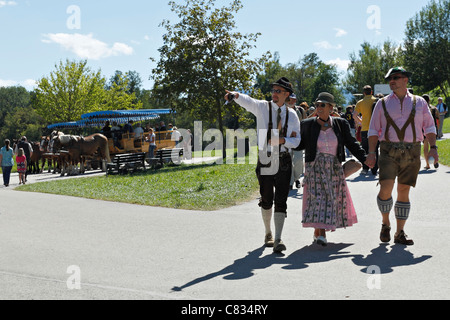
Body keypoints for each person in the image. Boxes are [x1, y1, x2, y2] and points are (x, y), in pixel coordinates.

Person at [225, 77, 301, 253]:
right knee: (267, 198)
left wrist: (283, 140)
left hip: (283, 159)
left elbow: (296, 141)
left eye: (278, 91)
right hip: (265, 158)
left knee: (282, 199)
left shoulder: (293, 115)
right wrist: (236, 95)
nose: (274, 94)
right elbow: (247, 101)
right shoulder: (262, 107)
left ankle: (279, 238)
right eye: (273, 90)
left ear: (286, 95)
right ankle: (268, 233)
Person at [366, 67, 438, 246]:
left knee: (404, 190)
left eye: (396, 78)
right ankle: (385, 223)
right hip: (388, 150)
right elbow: (373, 130)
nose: (392, 81)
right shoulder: (381, 104)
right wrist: (371, 153)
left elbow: (429, 126)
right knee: (385, 188)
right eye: (390, 78)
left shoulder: (420, 102)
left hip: (412, 151)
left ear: (405, 80)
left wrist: (434, 147)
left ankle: (399, 232)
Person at [298, 92, 368, 246]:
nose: (319, 107)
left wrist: (365, 158)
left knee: (330, 199)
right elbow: (299, 144)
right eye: (317, 105)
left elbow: (351, 143)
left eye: (323, 105)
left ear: (331, 107)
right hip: (315, 167)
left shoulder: (340, 123)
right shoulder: (308, 124)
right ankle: (322, 233)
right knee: (319, 199)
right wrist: (283, 138)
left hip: (334, 168)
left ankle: (318, 232)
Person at [353, 85, 378, 175]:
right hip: (375, 129)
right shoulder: (376, 100)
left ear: (364, 93)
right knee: (374, 149)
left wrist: (361, 122)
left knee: (365, 149)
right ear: (371, 92)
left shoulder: (360, 102)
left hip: (365, 129)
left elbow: (354, 115)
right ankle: (375, 169)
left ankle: (365, 168)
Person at [287, 93, 306, 189]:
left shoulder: (300, 110)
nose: (292, 101)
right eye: (290, 99)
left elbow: (305, 123)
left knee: (298, 160)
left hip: (298, 140)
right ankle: (290, 182)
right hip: (286, 140)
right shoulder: (282, 110)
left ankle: (297, 178)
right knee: (288, 161)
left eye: (294, 99)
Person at [422, 94, 440, 170]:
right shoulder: (434, 108)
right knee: (433, 146)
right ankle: (435, 161)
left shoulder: (421, 108)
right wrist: (437, 129)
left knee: (426, 147)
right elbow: (438, 119)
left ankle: (427, 164)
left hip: (424, 129)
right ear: (429, 100)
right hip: (433, 129)